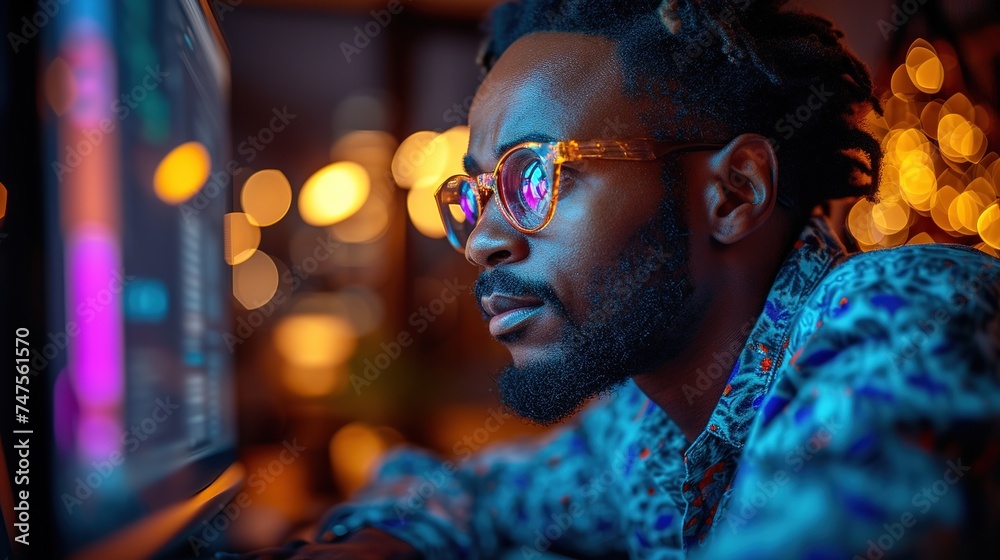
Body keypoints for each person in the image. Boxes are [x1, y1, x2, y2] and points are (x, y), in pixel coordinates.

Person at [222, 0, 1000, 558]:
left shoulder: (905, 312)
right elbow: (479, 496)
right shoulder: (645, 427)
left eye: (532, 177)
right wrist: (377, 544)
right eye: (473, 196)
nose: (481, 241)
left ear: (734, 193)